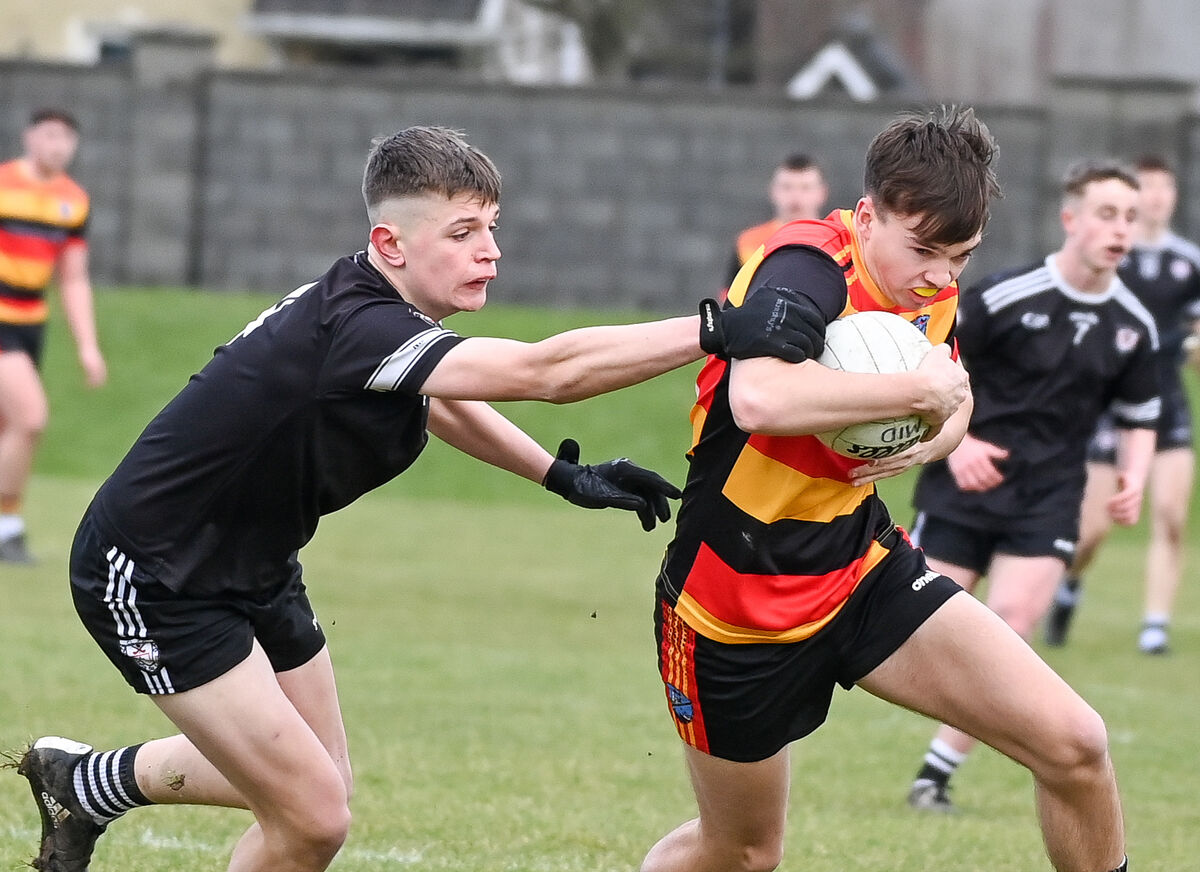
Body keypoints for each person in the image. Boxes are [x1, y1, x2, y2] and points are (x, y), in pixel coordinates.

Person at [12, 125, 822, 872]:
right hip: (152, 574)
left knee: (316, 783)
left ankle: (87, 784)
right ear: (389, 242)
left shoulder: (385, 322)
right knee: (313, 816)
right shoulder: (355, 328)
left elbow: (437, 401)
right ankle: (91, 783)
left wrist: (559, 475)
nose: (491, 253)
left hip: (252, 567)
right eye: (464, 234)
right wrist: (717, 327)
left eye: (492, 229)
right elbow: (547, 373)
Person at [645, 108, 1131, 872]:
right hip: (731, 607)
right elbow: (760, 400)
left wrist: (931, 435)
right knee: (741, 852)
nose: (941, 274)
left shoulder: (931, 290)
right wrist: (910, 398)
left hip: (859, 570)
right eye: (926, 250)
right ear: (868, 216)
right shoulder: (803, 265)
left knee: (1075, 746)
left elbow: (954, 394)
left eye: (961, 256)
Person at [904, 158, 1159, 820]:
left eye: (1130, 217)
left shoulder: (1133, 324)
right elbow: (933, 366)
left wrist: (1134, 472)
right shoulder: (1004, 296)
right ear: (1070, 219)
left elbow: (1139, 416)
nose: (1120, 229)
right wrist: (959, 443)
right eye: (1106, 213)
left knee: (1010, 627)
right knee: (921, 628)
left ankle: (935, 774)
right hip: (965, 479)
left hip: (1049, 494)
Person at [1045, 155, 1200, 654]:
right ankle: (1069, 584)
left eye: (1164, 187)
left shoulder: (1189, 262)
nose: (1156, 197)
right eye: (1147, 187)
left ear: (1174, 196)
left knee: (1172, 515)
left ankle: (1154, 626)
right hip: (1110, 404)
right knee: (1091, 532)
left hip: (1168, 400)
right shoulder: (1111, 253)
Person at [0, 108, 107, 564]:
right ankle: (6, 526)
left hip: (31, 321)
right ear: (29, 138)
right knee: (31, 419)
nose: (58, 145)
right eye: (49, 135)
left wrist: (87, 346)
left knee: (8, 427)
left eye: (67, 137)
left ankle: (8, 524)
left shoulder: (73, 200)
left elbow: (73, 278)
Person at [724, 152, 829, 289]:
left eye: (805, 188)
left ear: (822, 193)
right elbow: (729, 296)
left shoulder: (838, 242)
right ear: (773, 191)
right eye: (787, 187)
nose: (795, 196)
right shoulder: (748, 242)